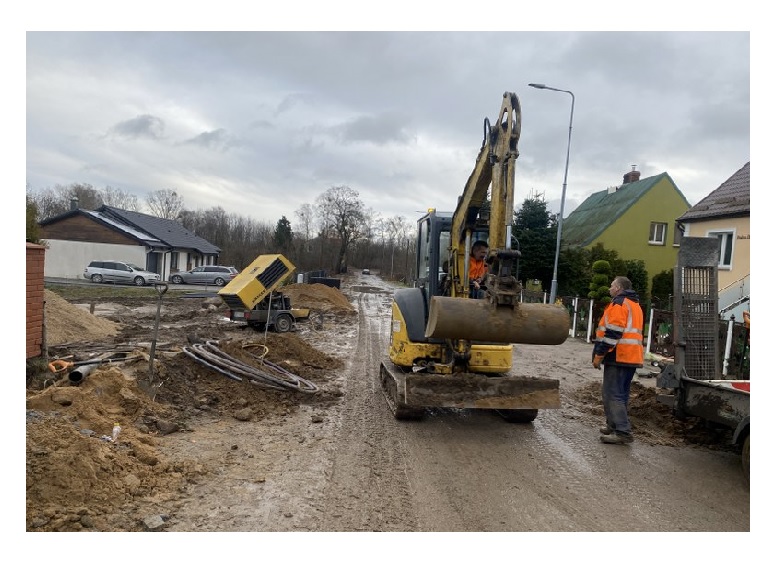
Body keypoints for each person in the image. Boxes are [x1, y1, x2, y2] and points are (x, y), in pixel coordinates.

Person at [592, 276, 644, 445]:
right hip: (631, 356)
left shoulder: (620, 304)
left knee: (612, 394)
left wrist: (599, 355)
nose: (609, 288)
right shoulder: (634, 305)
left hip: (619, 355)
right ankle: (613, 425)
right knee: (620, 394)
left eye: (612, 286)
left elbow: (613, 333)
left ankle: (622, 431)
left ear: (619, 288)